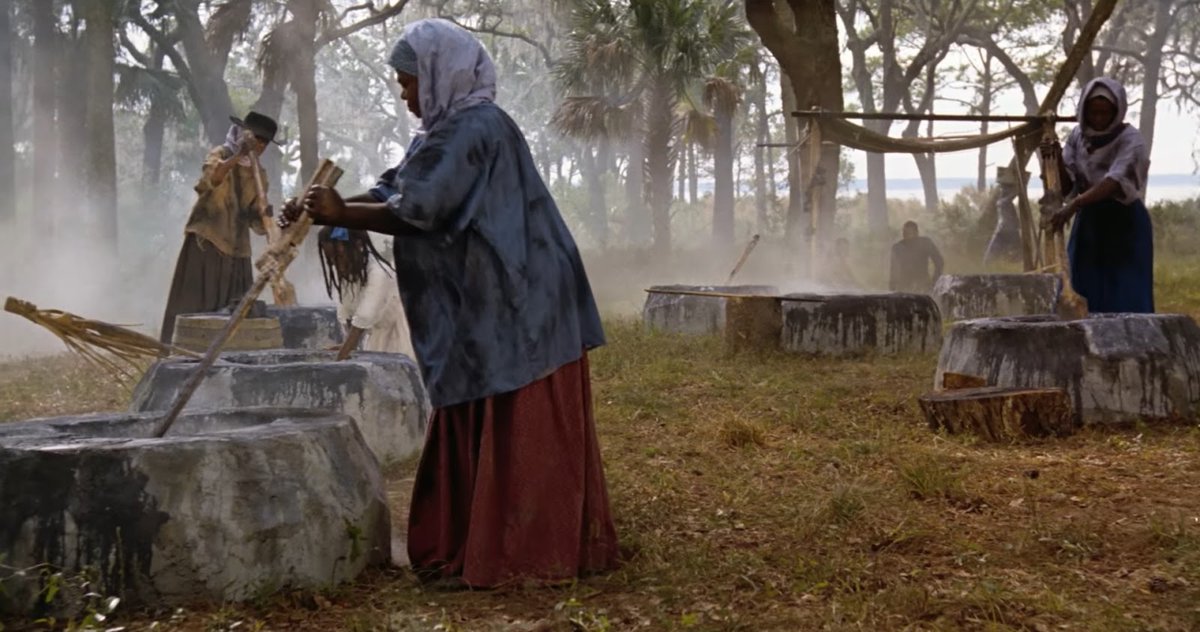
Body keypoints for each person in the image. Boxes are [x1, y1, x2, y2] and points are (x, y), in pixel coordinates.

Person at [280, 18, 618, 589]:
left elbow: (421, 208)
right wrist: (324, 211)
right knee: (479, 405)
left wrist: (342, 213)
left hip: (521, 301)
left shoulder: (478, 127)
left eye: (409, 81)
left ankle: (523, 549)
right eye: (401, 81)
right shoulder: (442, 133)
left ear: (442, 75)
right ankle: (477, 538)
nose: (404, 92)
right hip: (489, 305)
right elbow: (394, 191)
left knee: (515, 416)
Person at [159, 112, 279, 344]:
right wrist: (238, 156)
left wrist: (267, 216)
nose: (260, 146)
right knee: (196, 306)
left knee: (235, 313)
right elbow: (210, 180)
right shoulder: (221, 153)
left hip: (237, 250)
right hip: (208, 241)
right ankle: (183, 351)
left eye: (264, 143)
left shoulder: (260, 175)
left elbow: (255, 220)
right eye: (257, 139)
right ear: (245, 135)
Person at [1044, 77, 1153, 313]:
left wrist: (1074, 205)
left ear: (1117, 111)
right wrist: (1054, 156)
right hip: (1089, 225)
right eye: (1094, 112)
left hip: (1124, 223)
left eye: (1105, 113)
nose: (1100, 118)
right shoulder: (1077, 137)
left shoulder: (1130, 140)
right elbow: (1066, 186)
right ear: (1085, 111)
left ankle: (1132, 345)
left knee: (1125, 290)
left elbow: (1114, 182)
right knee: (1083, 285)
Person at [316, 226, 415, 357]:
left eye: (339, 256)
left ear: (358, 245)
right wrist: (348, 345)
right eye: (331, 259)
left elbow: (365, 315)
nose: (336, 263)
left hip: (401, 333)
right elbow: (346, 308)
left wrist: (342, 355)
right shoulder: (350, 272)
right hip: (379, 336)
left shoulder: (379, 273)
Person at [983, 166, 1028, 266]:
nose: (1003, 191)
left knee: (1017, 256)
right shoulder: (1002, 202)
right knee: (990, 258)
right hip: (1003, 232)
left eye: (1005, 189)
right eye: (1003, 188)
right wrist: (1020, 186)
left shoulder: (1004, 202)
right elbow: (1011, 196)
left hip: (1008, 232)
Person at [889, 221, 944, 293]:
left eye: (909, 233)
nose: (906, 236)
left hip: (923, 285)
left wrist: (934, 282)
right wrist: (892, 287)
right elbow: (893, 270)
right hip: (903, 287)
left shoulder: (925, 243)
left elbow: (939, 262)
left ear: (916, 233)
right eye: (904, 233)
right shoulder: (897, 247)